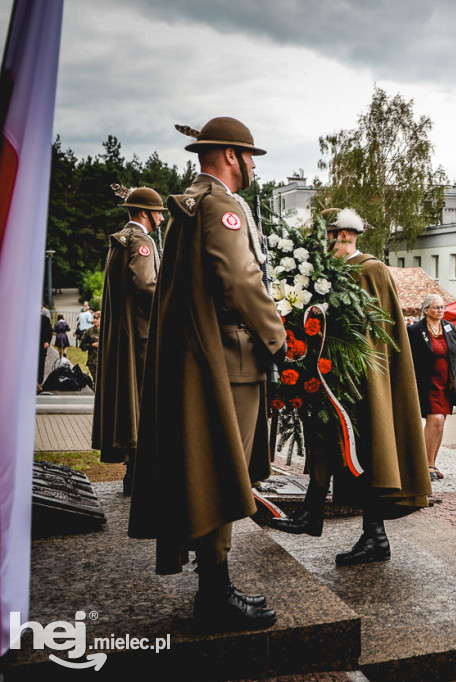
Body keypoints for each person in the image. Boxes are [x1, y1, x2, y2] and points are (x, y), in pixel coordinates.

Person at [128, 116, 285, 630]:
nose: (253, 167)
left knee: (208, 470)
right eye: (249, 157)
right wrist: (278, 336)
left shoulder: (193, 201)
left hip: (206, 356)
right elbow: (239, 277)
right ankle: (214, 593)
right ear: (231, 156)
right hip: (230, 359)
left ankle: (213, 583)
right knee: (221, 472)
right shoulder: (220, 205)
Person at [270, 208, 431, 565]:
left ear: (344, 235)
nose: (323, 244)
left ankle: (375, 536)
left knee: (369, 453)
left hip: (363, 381)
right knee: (324, 444)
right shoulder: (331, 272)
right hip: (333, 376)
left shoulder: (371, 269)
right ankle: (311, 514)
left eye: (328, 236)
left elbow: (374, 332)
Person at [92, 186, 166, 492]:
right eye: (158, 212)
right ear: (145, 213)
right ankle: (139, 476)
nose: (161, 217)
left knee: (132, 406)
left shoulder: (121, 240)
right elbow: (146, 285)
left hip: (128, 337)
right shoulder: (141, 242)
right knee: (145, 406)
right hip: (143, 337)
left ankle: (133, 474)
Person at [409, 294, 456, 481]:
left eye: (442, 307)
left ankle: (432, 463)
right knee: (435, 420)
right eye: (436, 307)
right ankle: (425, 465)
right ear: (426, 310)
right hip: (428, 382)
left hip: (446, 382)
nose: (440, 310)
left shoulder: (449, 327)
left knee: (440, 423)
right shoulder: (415, 330)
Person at [81, 310, 101, 380]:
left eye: (97, 318)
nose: (95, 320)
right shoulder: (89, 331)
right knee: (97, 380)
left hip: (104, 361)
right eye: (94, 318)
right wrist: (92, 345)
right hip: (93, 362)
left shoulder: (106, 331)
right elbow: (82, 346)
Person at [38, 306, 52, 393]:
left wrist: (47, 342)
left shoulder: (45, 320)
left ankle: (39, 382)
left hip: (41, 345)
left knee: (40, 364)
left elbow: (49, 332)